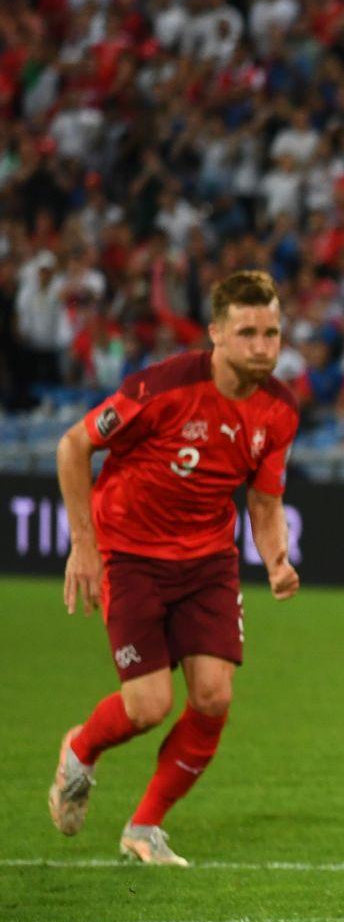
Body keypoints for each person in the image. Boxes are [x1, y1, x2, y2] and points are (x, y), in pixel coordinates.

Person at [48, 270, 302, 867]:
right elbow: (73, 446)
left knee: (213, 697)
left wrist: (276, 558)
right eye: (248, 333)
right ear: (216, 334)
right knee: (148, 706)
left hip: (208, 560)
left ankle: (145, 828)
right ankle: (80, 750)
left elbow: (264, 502)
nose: (263, 346)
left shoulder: (279, 411)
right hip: (131, 554)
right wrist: (83, 545)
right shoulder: (161, 389)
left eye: (272, 332)